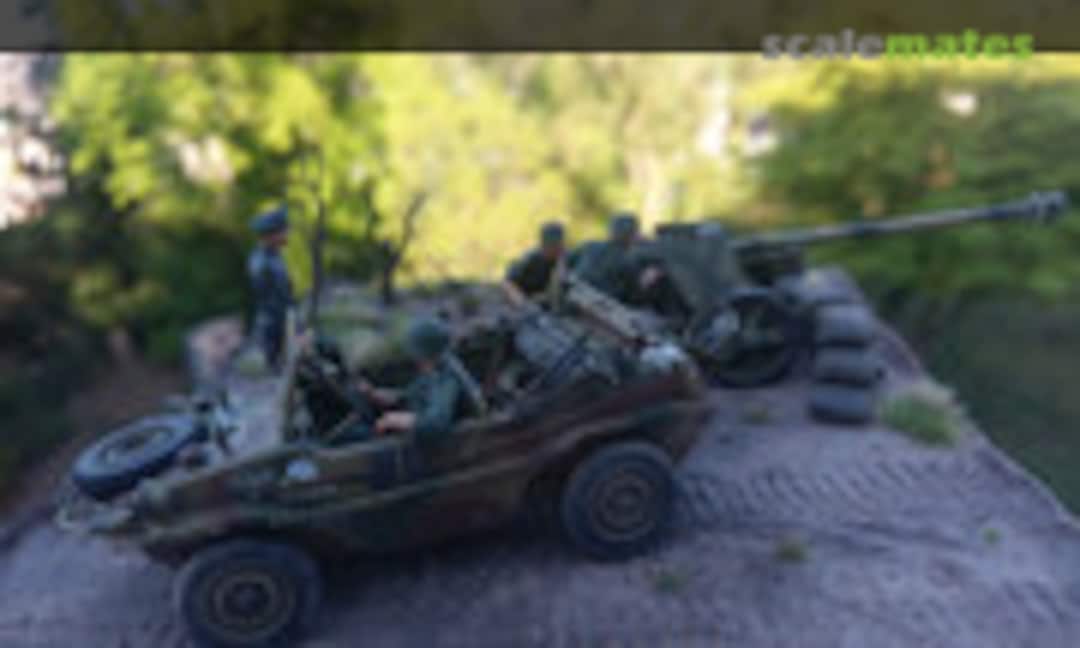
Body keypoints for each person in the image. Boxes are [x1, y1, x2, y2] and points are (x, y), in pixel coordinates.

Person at [334, 318, 467, 446]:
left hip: (419, 444)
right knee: (349, 432)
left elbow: (434, 424)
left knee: (349, 438)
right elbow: (412, 395)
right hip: (406, 431)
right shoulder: (431, 372)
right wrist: (374, 394)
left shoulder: (446, 380)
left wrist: (395, 419)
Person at [569, 212, 664, 303]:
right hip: (599, 306)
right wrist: (647, 279)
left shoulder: (590, 246)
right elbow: (634, 296)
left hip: (574, 295)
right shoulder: (627, 262)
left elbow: (567, 262)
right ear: (633, 235)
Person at [248, 205, 297, 371]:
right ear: (271, 235)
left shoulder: (274, 258)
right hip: (273, 330)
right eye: (283, 231)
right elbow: (270, 301)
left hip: (281, 325)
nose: (286, 234)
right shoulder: (262, 262)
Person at [502, 221, 567, 304]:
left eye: (558, 245)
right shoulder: (531, 257)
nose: (556, 249)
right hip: (523, 296)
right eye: (552, 245)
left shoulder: (564, 257)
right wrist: (520, 300)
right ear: (543, 245)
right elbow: (508, 281)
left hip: (543, 298)